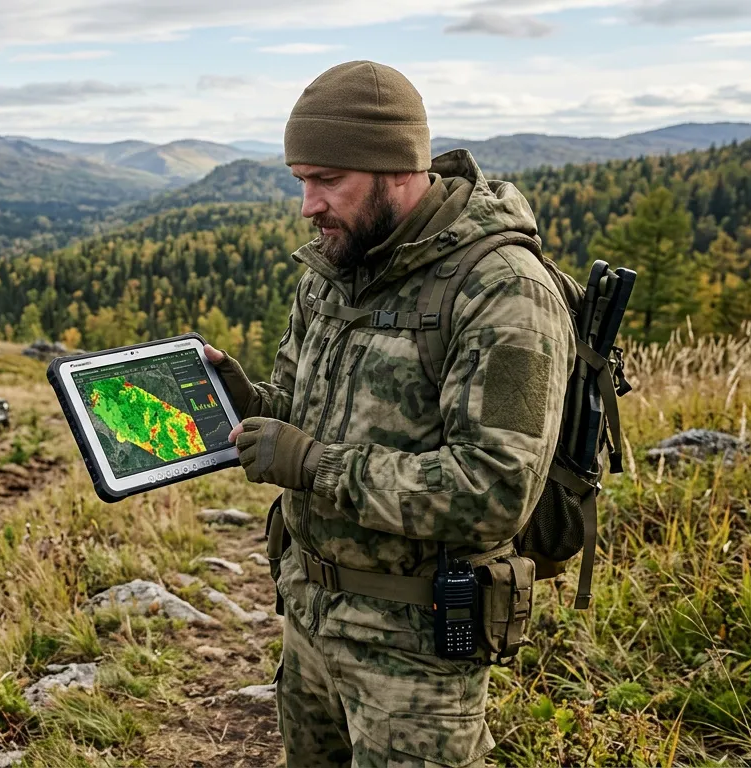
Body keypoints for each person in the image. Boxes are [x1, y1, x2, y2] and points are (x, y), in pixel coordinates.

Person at [208, 60, 574, 767]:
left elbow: (494, 491)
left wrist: (310, 464)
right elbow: (303, 412)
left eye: (327, 181)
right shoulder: (334, 271)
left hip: (414, 655)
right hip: (309, 617)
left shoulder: (501, 290)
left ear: (398, 169)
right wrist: (250, 405)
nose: (308, 206)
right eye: (300, 181)